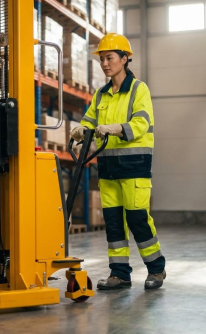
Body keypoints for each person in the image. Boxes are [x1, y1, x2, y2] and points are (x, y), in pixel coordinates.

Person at [71, 33, 166, 290]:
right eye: (101, 59)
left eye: (109, 58)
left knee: (137, 219)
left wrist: (115, 128)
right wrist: (81, 129)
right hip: (108, 169)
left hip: (135, 167)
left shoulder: (139, 89)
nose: (104, 64)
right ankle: (120, 273)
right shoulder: (101, 95)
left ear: (125, 59)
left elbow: (141, 123)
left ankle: (156, 270)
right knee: (113, 222)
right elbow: (90, 120)